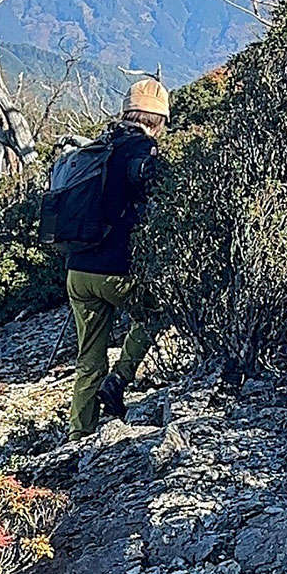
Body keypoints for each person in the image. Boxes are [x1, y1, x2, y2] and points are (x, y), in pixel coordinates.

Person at [65, 76, 170, 438]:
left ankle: (79, 432)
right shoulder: (140, 150)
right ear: (156, 121)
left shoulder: (98, 146)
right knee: (157, 312)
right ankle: (121, 378)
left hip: (77, 271)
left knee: (87, 357)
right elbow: (151, 184)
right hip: (116, 271)